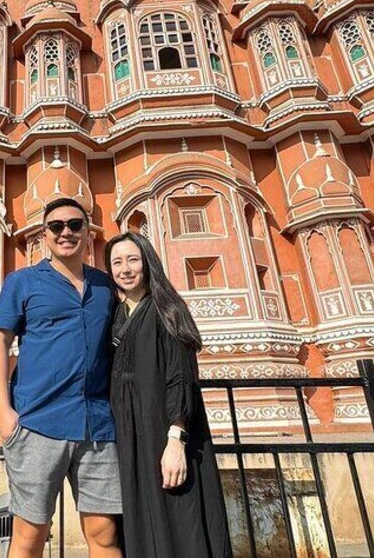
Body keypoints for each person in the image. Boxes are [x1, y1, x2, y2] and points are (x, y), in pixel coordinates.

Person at [0, 197, 123, 558]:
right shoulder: (23, 282)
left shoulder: (105, 286)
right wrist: (3, 413)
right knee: (30, 534)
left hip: (97, 425)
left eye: (75, 225)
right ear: (44, 235)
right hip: (38, 422)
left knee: (104, 533)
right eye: (57, 226)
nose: (66, 233)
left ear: (88, 233)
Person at [105, 231, 232, 558]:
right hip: (131, 439)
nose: (125, 269)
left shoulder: (166, 308)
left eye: (133, 260)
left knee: (179, 521)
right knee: (143, 523)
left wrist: (176, 441)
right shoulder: (117, 314)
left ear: (147, 262)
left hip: (165, 434)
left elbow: (181, 377)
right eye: (117, 262)